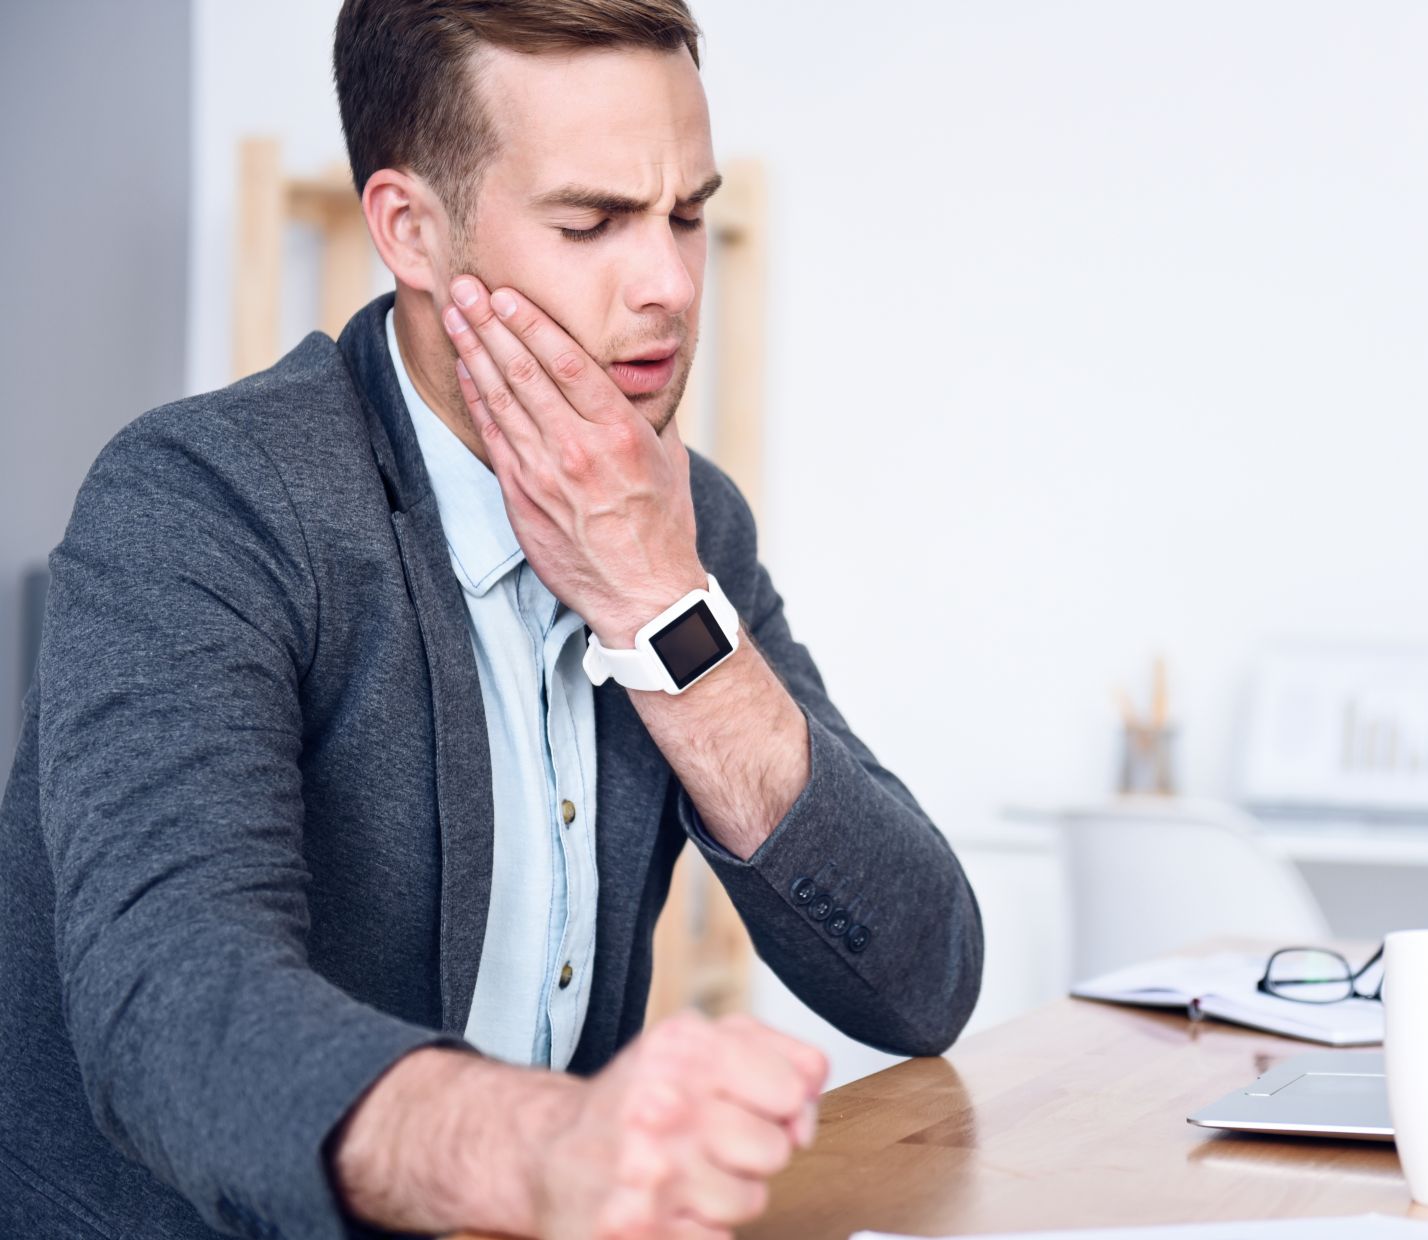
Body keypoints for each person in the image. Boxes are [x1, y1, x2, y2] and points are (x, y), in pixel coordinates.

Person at [0, 2, 984, 1236]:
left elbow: (924, 975)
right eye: (593, 221)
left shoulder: (677, 521)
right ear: (410, 230)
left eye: (687, 213)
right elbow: (173, 1007)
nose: (671, 282)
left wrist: (659, 610)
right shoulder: (201, 500)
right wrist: (553, 1143)